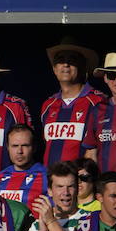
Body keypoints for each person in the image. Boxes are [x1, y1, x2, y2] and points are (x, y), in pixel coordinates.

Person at [39, 39, 104, 167]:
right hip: (52, 184)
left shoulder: (98, 102)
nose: (66, 64)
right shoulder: (48, 105)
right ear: (54, 68)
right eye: (61, 59)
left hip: (83, 183)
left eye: (72, 59)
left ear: (83, 66)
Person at [0, 125, 48, 209]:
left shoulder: (47, 176)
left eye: (25, 145)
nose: (19, 151)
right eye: (15, 146)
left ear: (34, 147)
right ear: (7, 147)